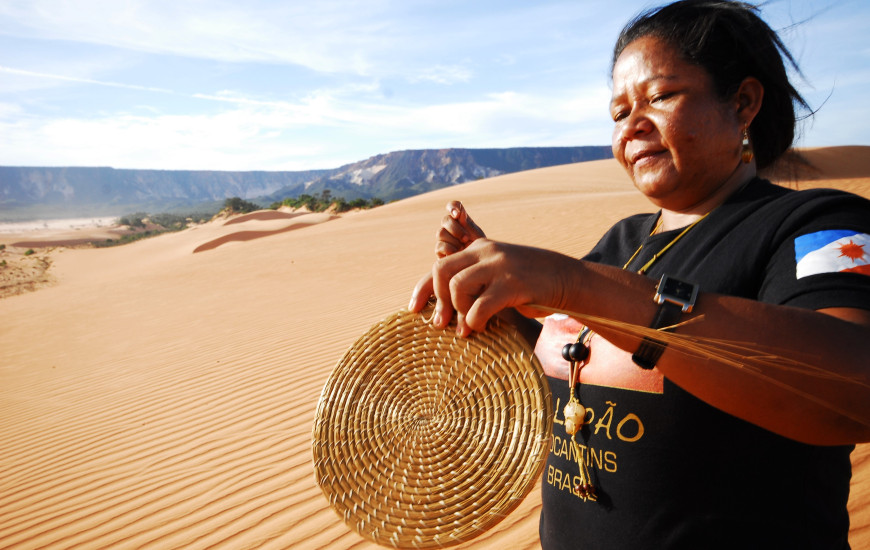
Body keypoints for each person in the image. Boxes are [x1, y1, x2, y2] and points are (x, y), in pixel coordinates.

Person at [408, 1, 870, 548]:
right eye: (619, 112)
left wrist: (576, 284)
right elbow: (579, 362)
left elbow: (853, 389)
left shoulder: (820, 225)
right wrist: (502, 309)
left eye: (661, 97)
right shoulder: (623, 242)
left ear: (743, 103)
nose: (632, 126)